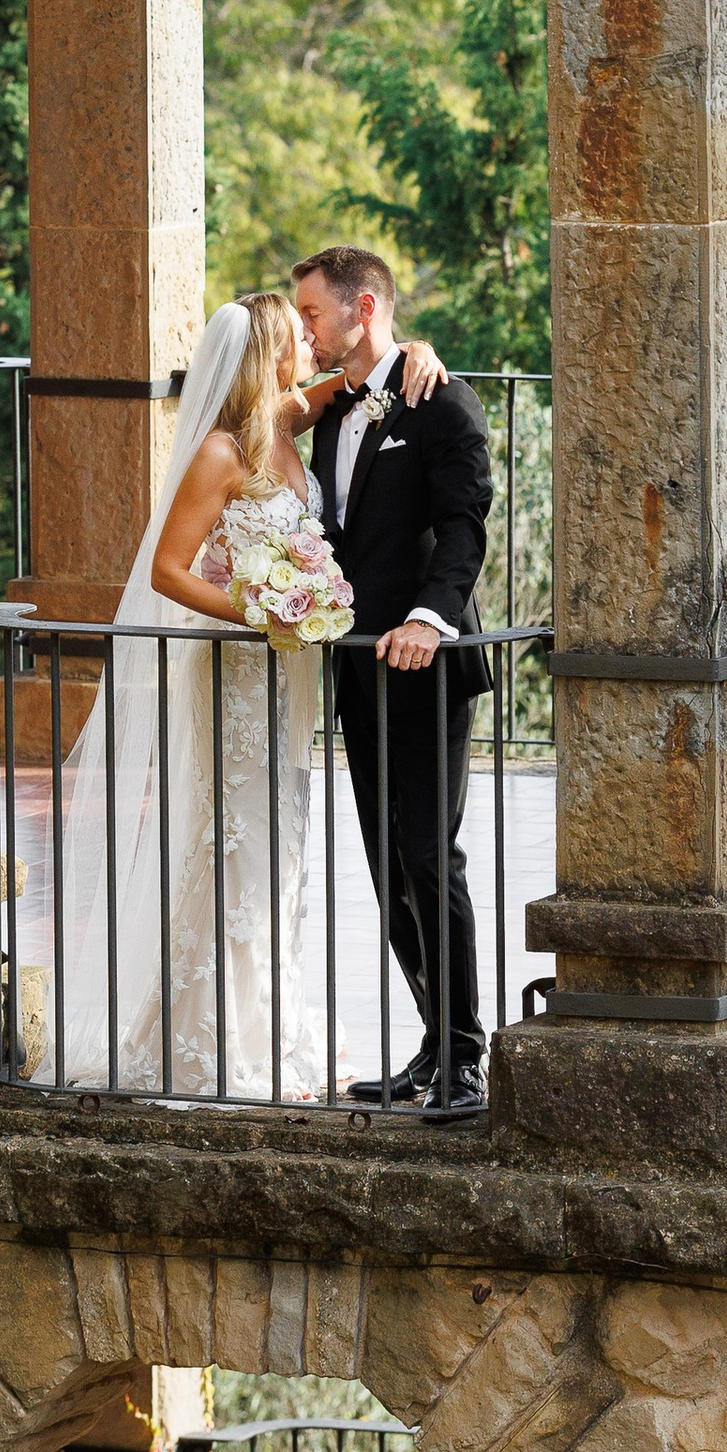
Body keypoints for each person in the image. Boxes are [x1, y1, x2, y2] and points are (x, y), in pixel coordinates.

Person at [35, 290, 447, 1102]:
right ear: (268, 353)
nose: (312, 339)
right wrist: (259, 613)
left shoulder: (285, 426)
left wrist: (422, 352)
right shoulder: (221, 453)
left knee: (280, 850)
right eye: (298, 334)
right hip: (240, 672)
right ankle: (212, 1046)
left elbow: (371, 373)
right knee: (236, 846)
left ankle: (270, 1029)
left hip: (286, 679)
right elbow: (167, 570)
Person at [290, 244, 495, 1121]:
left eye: (312, 315)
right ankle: (430, 1040)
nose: (305, 330)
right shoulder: (336, 409)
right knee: (384, 866)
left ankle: (466, 1057)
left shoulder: (439, 399)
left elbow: (464, 522)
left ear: (362, 307)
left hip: (427, 661)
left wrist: (430, 618)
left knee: (425, 855)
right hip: (355, 663)